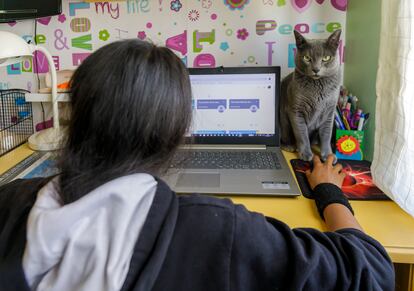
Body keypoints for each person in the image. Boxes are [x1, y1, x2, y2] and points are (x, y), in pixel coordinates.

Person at [0, 40, 394, 291]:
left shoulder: (10, 203)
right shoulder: (219, 229)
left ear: (78, 116)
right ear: (177, 132)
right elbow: (372, 272)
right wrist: (327, 191)